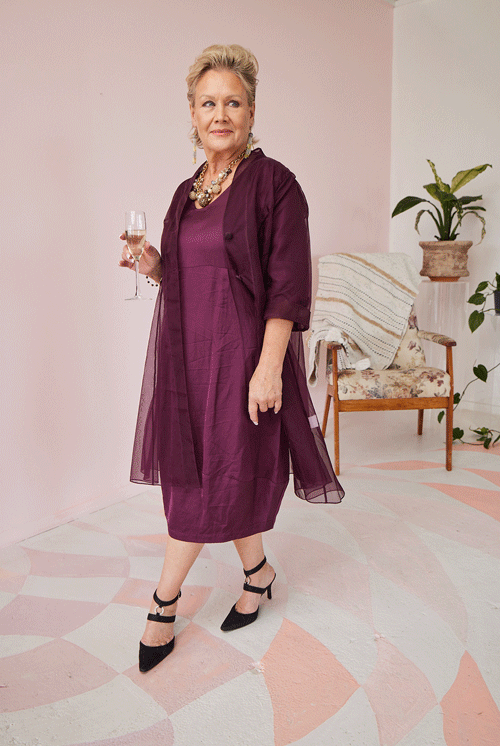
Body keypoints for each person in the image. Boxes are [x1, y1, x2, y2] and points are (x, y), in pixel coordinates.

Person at [119, 44, 344, 673]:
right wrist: (152, 264)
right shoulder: (186, 192)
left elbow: (288, 284)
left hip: (242, 358)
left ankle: (163, 604)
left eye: (233, 103)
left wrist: (269, 368)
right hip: (187, 360)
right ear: (192, 114)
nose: (220, 114)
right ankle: (259, 573)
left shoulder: (275, 185)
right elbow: (186, 275)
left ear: (251, 112)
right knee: (210, 473)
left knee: (208, 480)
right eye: (208, 103)